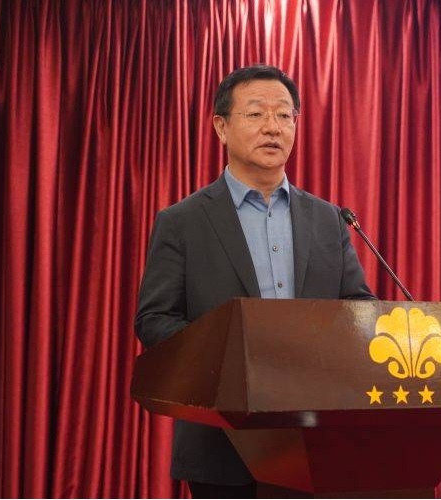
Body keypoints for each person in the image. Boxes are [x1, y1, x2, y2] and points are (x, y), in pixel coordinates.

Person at [134, 64, 375, 498]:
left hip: (315, 440)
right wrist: (232, 363)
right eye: (256, 114)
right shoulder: (182, 222)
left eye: (284, 115)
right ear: (221, 127)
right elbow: (155, 321)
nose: (273, 127)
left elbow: (357, 307)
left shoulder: (328, 219)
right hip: (221, 443)